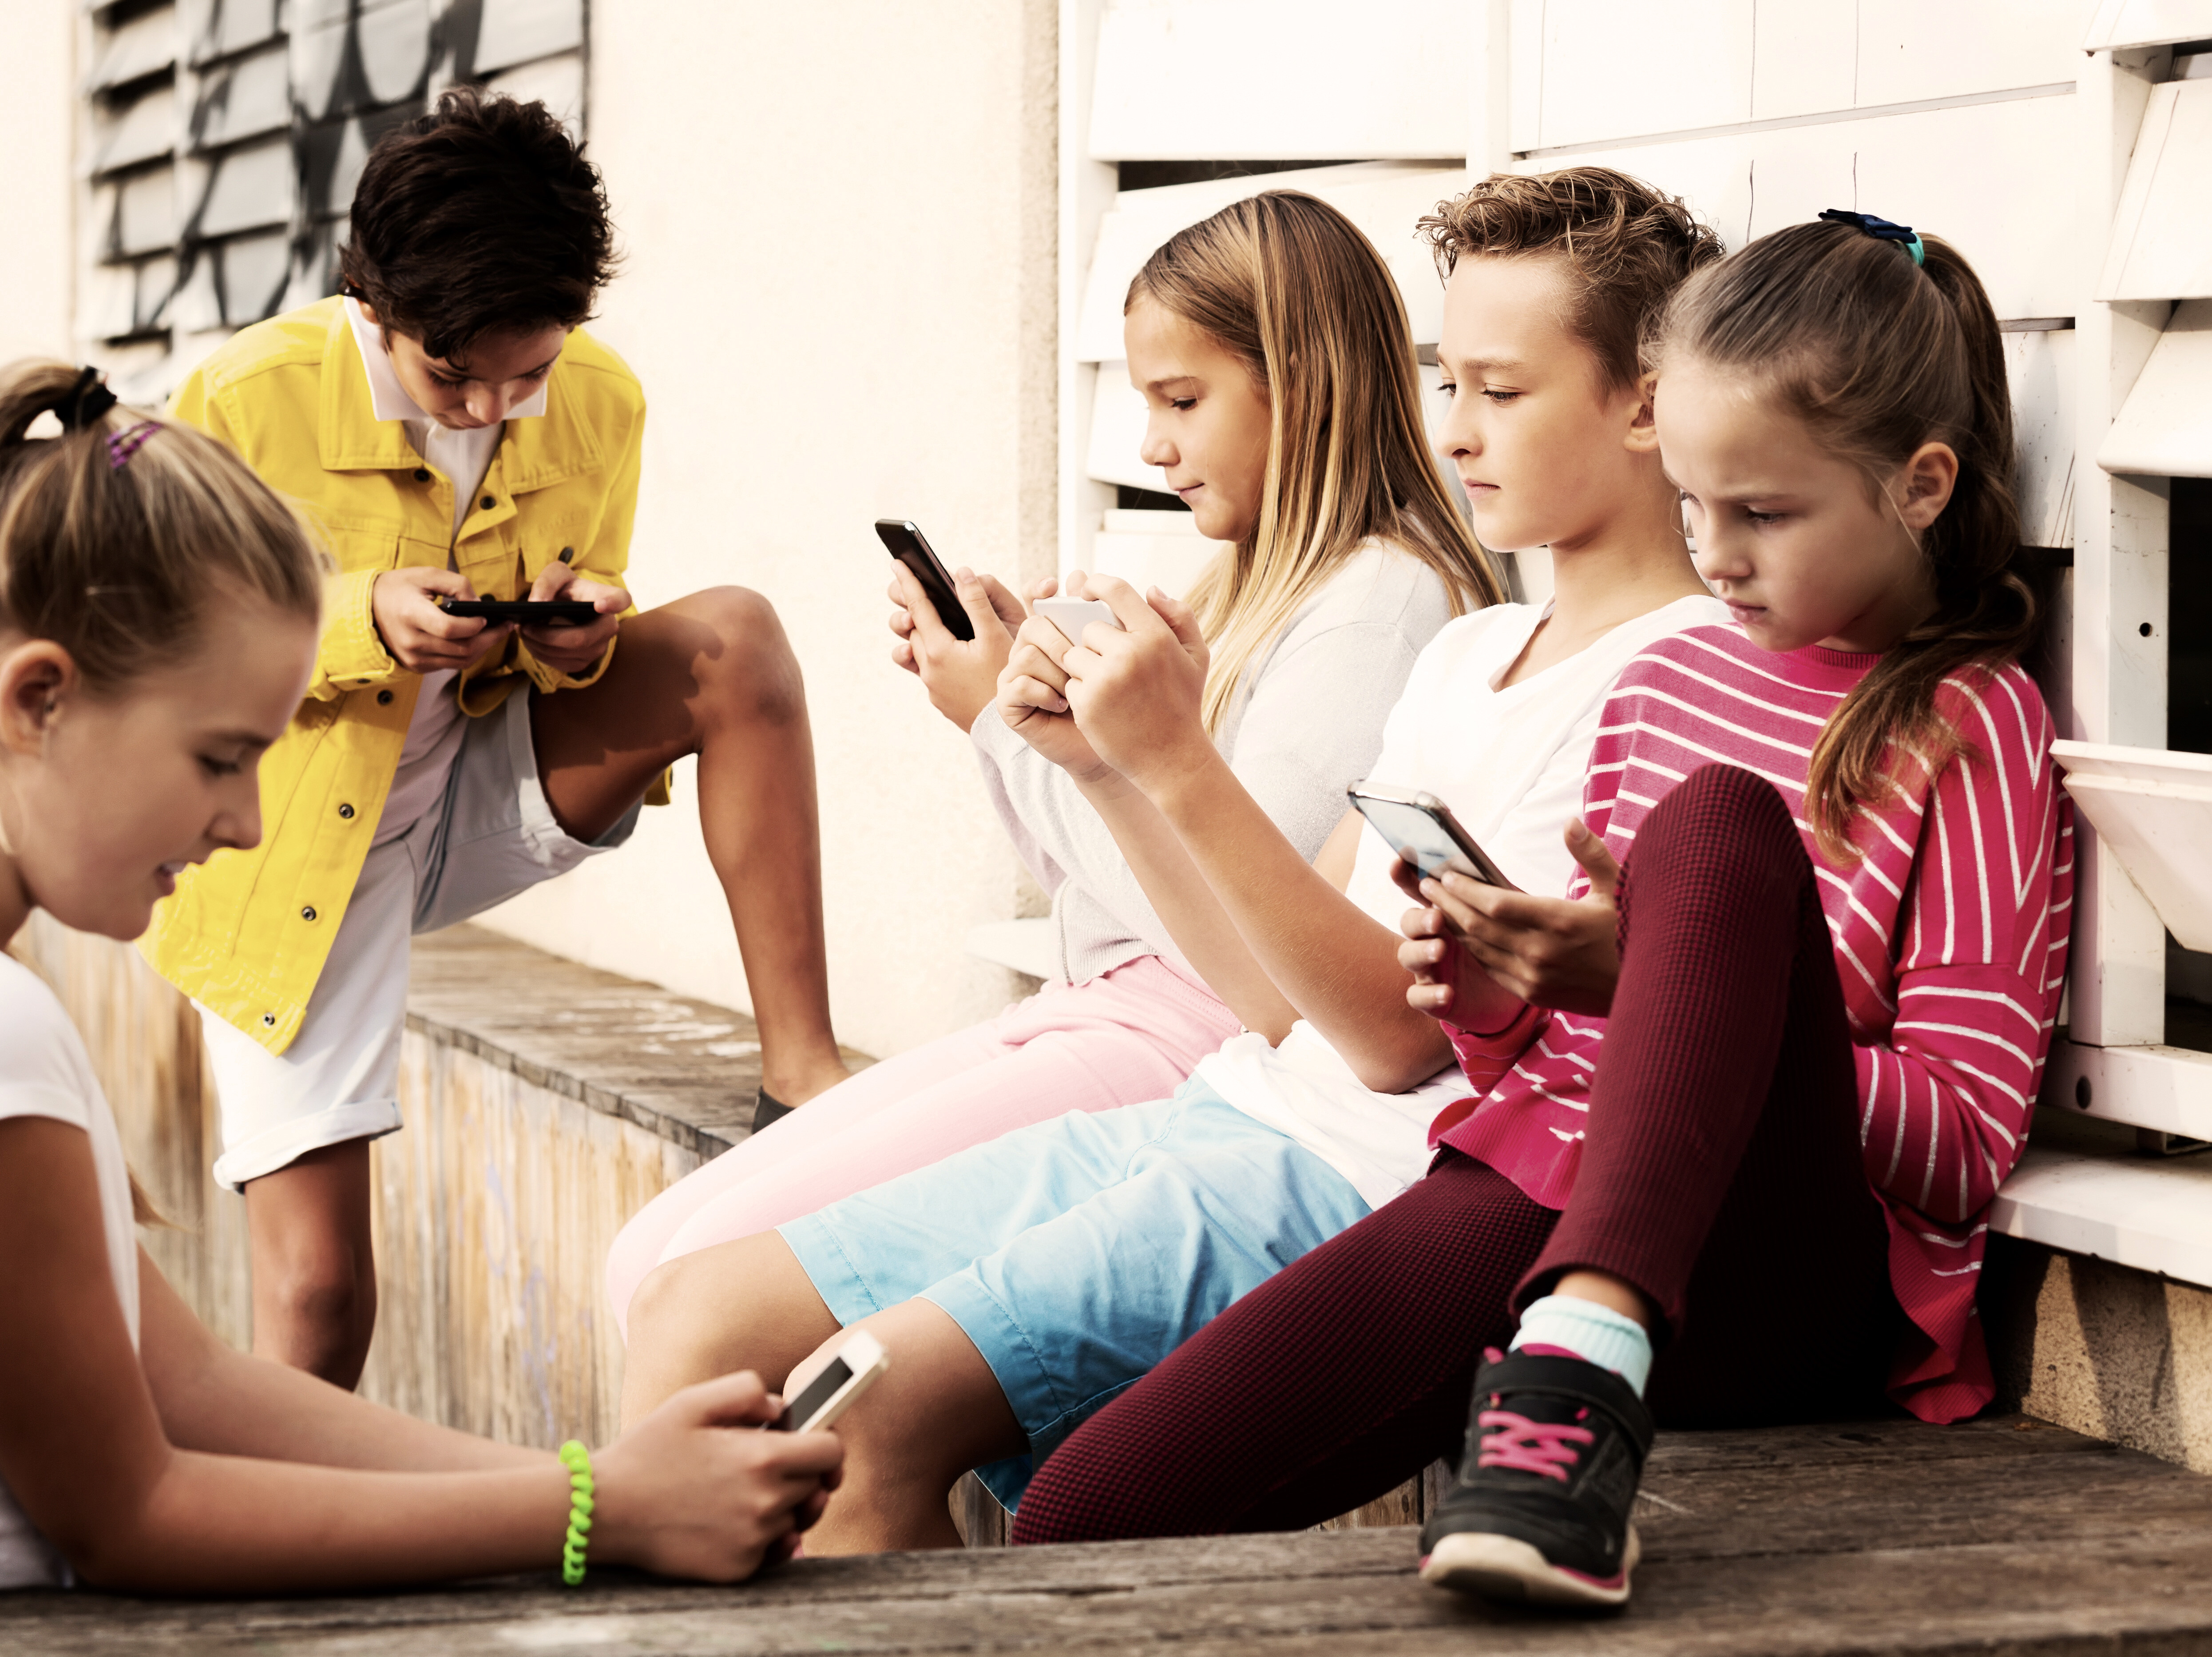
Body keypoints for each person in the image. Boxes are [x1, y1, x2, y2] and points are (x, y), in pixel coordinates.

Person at [620, 170, 1732, 1556]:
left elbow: (1396, 1040)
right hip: (1232, 1103)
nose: (1454, 429)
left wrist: (1174, 758)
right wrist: (1109, 764)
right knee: (692, 1306)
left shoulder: (1680, 680)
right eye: (1450, 383)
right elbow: (1271, 998)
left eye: (1499, 392)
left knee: (866, 1420)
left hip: (1346, 1174)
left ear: (1646, 404)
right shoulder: (1469, 653)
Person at [1005, 211, 2075, 1615]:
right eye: (1693, 505)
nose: (1717, 557)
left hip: (1782, 1273)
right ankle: (1576, 1350)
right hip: (1538, 1182)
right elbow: (1550, 1062)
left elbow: (1965, 1140)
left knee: (1718, 823)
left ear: (1920, 486)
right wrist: (1503, 990)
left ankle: (1582, 1363)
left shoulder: (1971, 721)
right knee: (1087, 1511)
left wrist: (1662, 989)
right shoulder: (1663, 682)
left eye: (1763, 514)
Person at [0, 363, 842, 1602]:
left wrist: (607, 1481)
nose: (248, 825)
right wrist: (600, 1511)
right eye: (222, 758)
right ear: (38, 699)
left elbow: (191, 1386)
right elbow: (135, 1516)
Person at [607, 190, 1500, 1336]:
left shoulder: (1378, 607)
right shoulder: (1262, 581)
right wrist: (1040, 717)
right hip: (1105, 1011)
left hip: (1191, 1041)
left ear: (1303, 383)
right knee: (649, 1255)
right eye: (1146, 402)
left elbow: (1238, 948)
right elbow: (1107, 885)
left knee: (687, 1274)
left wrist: (1009, 724)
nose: (1152, 447)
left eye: (1182, 400)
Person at [147, 89, 851, 1390]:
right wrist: (362, 617)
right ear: (372, 303)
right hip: (287, 848)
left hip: (471, 788)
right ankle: (282, 1513)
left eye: (528, 374)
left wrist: (570, 643)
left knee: (736, 641)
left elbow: (578, 611)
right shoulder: (245, 397)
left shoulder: (602, 401)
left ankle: (802, 1082)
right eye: (453, 376)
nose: (489, 407)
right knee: (317, 1294)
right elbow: (162, 648)